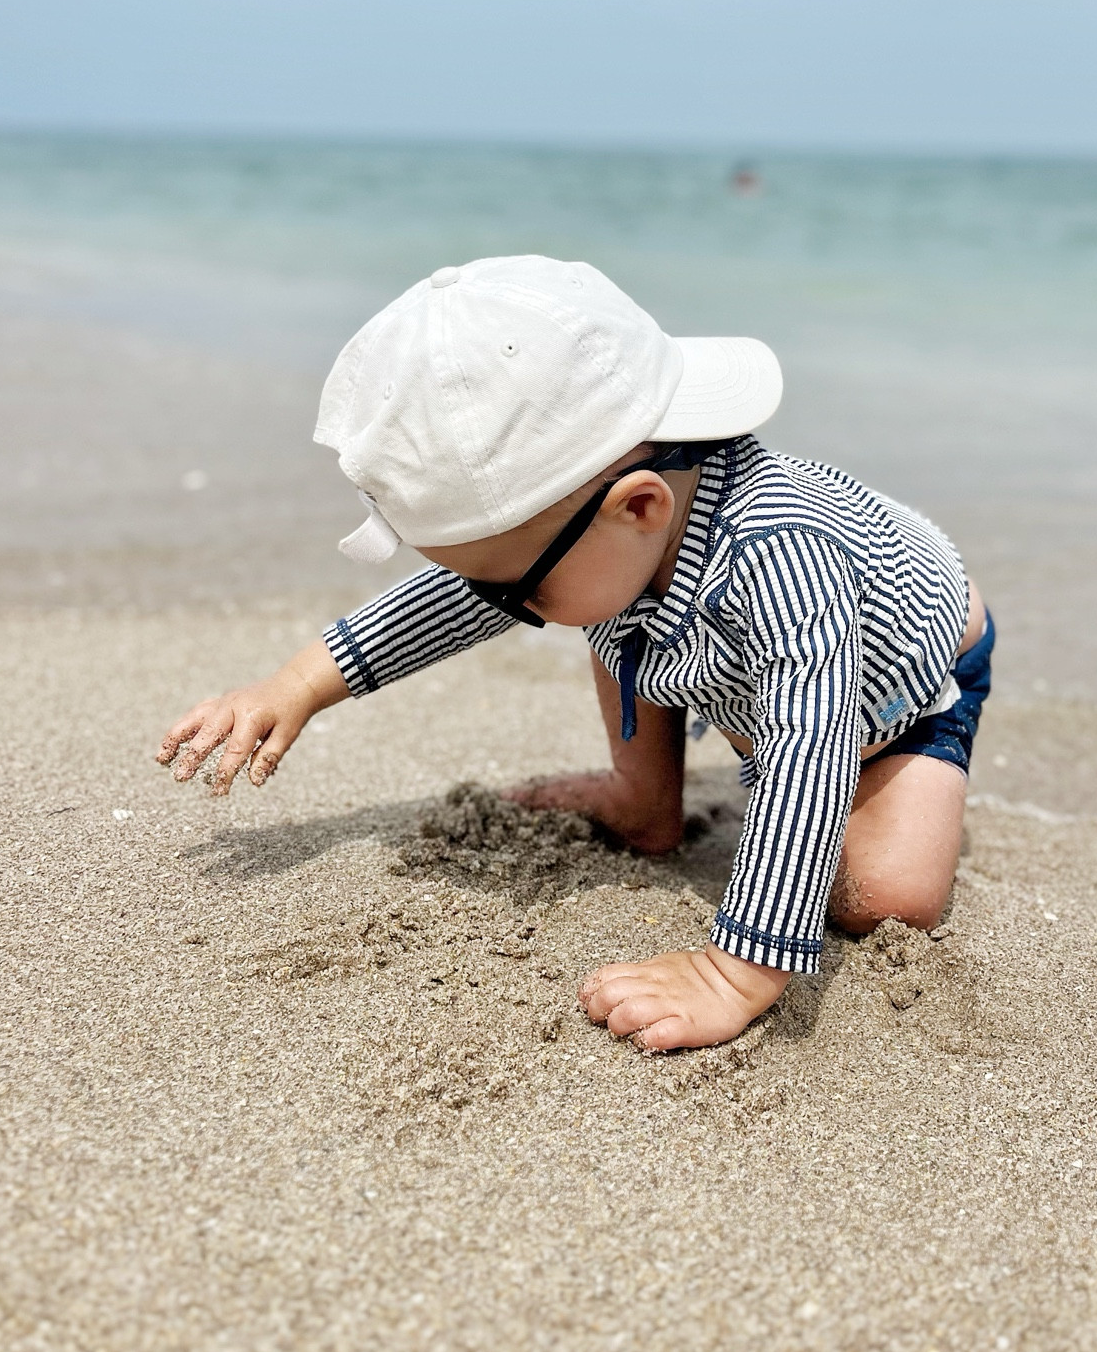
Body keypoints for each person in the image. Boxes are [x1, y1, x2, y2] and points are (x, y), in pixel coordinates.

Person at [156, 256, 993, 1051]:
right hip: (698, 642)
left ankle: (832, 781)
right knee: (596, 599)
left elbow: (812, 744)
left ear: (639, 507)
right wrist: (301, 681)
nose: (505, 610)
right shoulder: (620, 533)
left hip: (895, 695)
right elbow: (466, 592)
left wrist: (736, 971)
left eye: (515, 590)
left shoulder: (780, 555)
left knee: (885, 899)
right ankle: (644, 797)